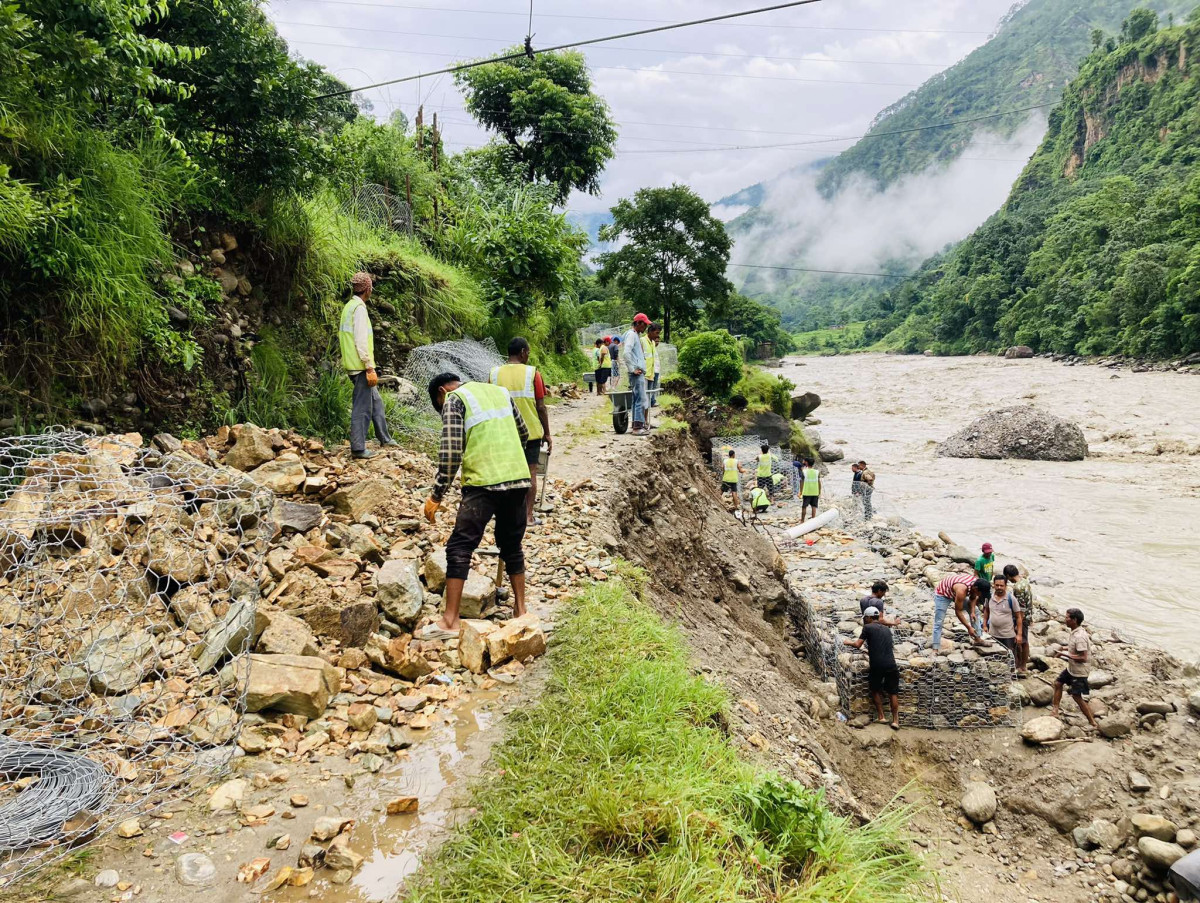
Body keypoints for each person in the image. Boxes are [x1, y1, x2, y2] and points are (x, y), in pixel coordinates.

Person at [421, 373, 531, 637]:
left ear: (440, 392)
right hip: (518, 478)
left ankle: (450, 621)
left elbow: (450, 454)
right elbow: (523, 434)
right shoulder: (499, 391)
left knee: (460, 545)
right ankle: (521, 611)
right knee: (511, 545)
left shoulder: (454, 399)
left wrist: (436, 495)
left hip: (483, 482)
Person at [490, 337, 552, 526]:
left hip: (503, 431)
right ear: (523, 352)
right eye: (529, 352)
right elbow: (541, 406)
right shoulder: (533, 373)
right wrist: (547, 433)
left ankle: (505, 515)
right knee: (531, 472)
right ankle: (528, 516)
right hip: (530, 432)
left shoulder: (494, 373)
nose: (528, 356)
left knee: (505, 473)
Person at [339, 272, 394, 459]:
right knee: (362, 408)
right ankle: (358, 448)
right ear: (368, 289)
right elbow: (361, 341)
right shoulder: (359, 309)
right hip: (360, 366)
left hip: (353, 364)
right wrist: (369, 366)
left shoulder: (349, 306)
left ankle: (384, 438)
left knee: (376, 401)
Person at [843, 607, 900, 730]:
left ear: (868, 617)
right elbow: (883, 648)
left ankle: (881, 716)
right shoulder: (886, 629)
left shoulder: (867, 627)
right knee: (893, 692)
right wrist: (868, 651)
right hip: (891, 664)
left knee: (875, 689)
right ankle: (895, 721)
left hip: (877, 665)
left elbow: (858, 644)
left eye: (865, 618)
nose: (864, 620)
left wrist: (848, 642)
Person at [1052, 608, 1098, 730]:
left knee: (1076, 697)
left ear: (1074, 620)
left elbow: (1083, 657)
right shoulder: (1074, 632)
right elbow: (1074, 648)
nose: (1065, 619)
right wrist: (1063, 648)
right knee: (1058, 683)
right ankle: (1055, 710)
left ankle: (1092, 722)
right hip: (1071, 668)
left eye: (1067, 617)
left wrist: (1064, 655)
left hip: (1079, 671)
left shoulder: (1080, 636)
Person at [931, 572, 989, 648]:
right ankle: (935, 647)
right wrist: (968, 628)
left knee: (976, 611)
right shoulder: (962, 590)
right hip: (943, 594)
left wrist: (972, 612)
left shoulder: (976, 584)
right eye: (980, 593)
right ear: (976, 589)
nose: (980, 596)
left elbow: (973, 597)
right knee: (939, 621)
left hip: (955, 590)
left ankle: (977, 639)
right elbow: (958, 611)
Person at [621, 314, 651, 436]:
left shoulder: (635, 335)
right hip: (636, 372)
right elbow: (626, 353)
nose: (645, 327)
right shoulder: (632, 335)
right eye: (644, 324)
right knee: (640, 398)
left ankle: (636, 424)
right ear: (638, 323)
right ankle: (637, 428)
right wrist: (633, 368)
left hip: (638, 371)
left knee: (636, 398)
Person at [983, 573, 1023, 658]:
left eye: (1002, 585)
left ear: (1006, 586)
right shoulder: (989, 597)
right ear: (993, 585)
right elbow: (986, 611)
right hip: (993, 634)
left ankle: (1012, 671)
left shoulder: (1011, 599)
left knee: (1010, 657)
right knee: (994, 657)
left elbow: (1018, 617)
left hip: (1008, 636)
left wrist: (1019, 634)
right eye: (997, 585)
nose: (999, 588)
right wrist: (984, 625)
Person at [1004, 564, 1033, 675]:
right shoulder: (1025, 581)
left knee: (1022, 641)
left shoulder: (1018, 588)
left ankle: (1022, 665)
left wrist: (1018, 623)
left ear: (1008, 575)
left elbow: (1020, 607)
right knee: (1023, 641)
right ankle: (1020, 664)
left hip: (1023, 617)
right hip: (1028, 615)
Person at [799, 457, 821, 522]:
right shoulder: (817, 472)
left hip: (807, 492)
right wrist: (819, 491)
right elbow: (819, 483)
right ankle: (813, 520)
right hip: (815, 492)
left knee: (804, 506)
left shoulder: (804, 472)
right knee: (814, 506)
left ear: (807, 463)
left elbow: (801, 483)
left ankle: (802, 520)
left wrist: (800, 491)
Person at [647, 323, 663, 406]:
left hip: (655, 370)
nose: (657, 342)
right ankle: (651, 402)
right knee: (651, 387)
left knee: (654, 387)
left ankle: (652, 401)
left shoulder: (654, 349)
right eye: (656, 340)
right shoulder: (647, 343)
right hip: (651, 371)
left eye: (658, 341)